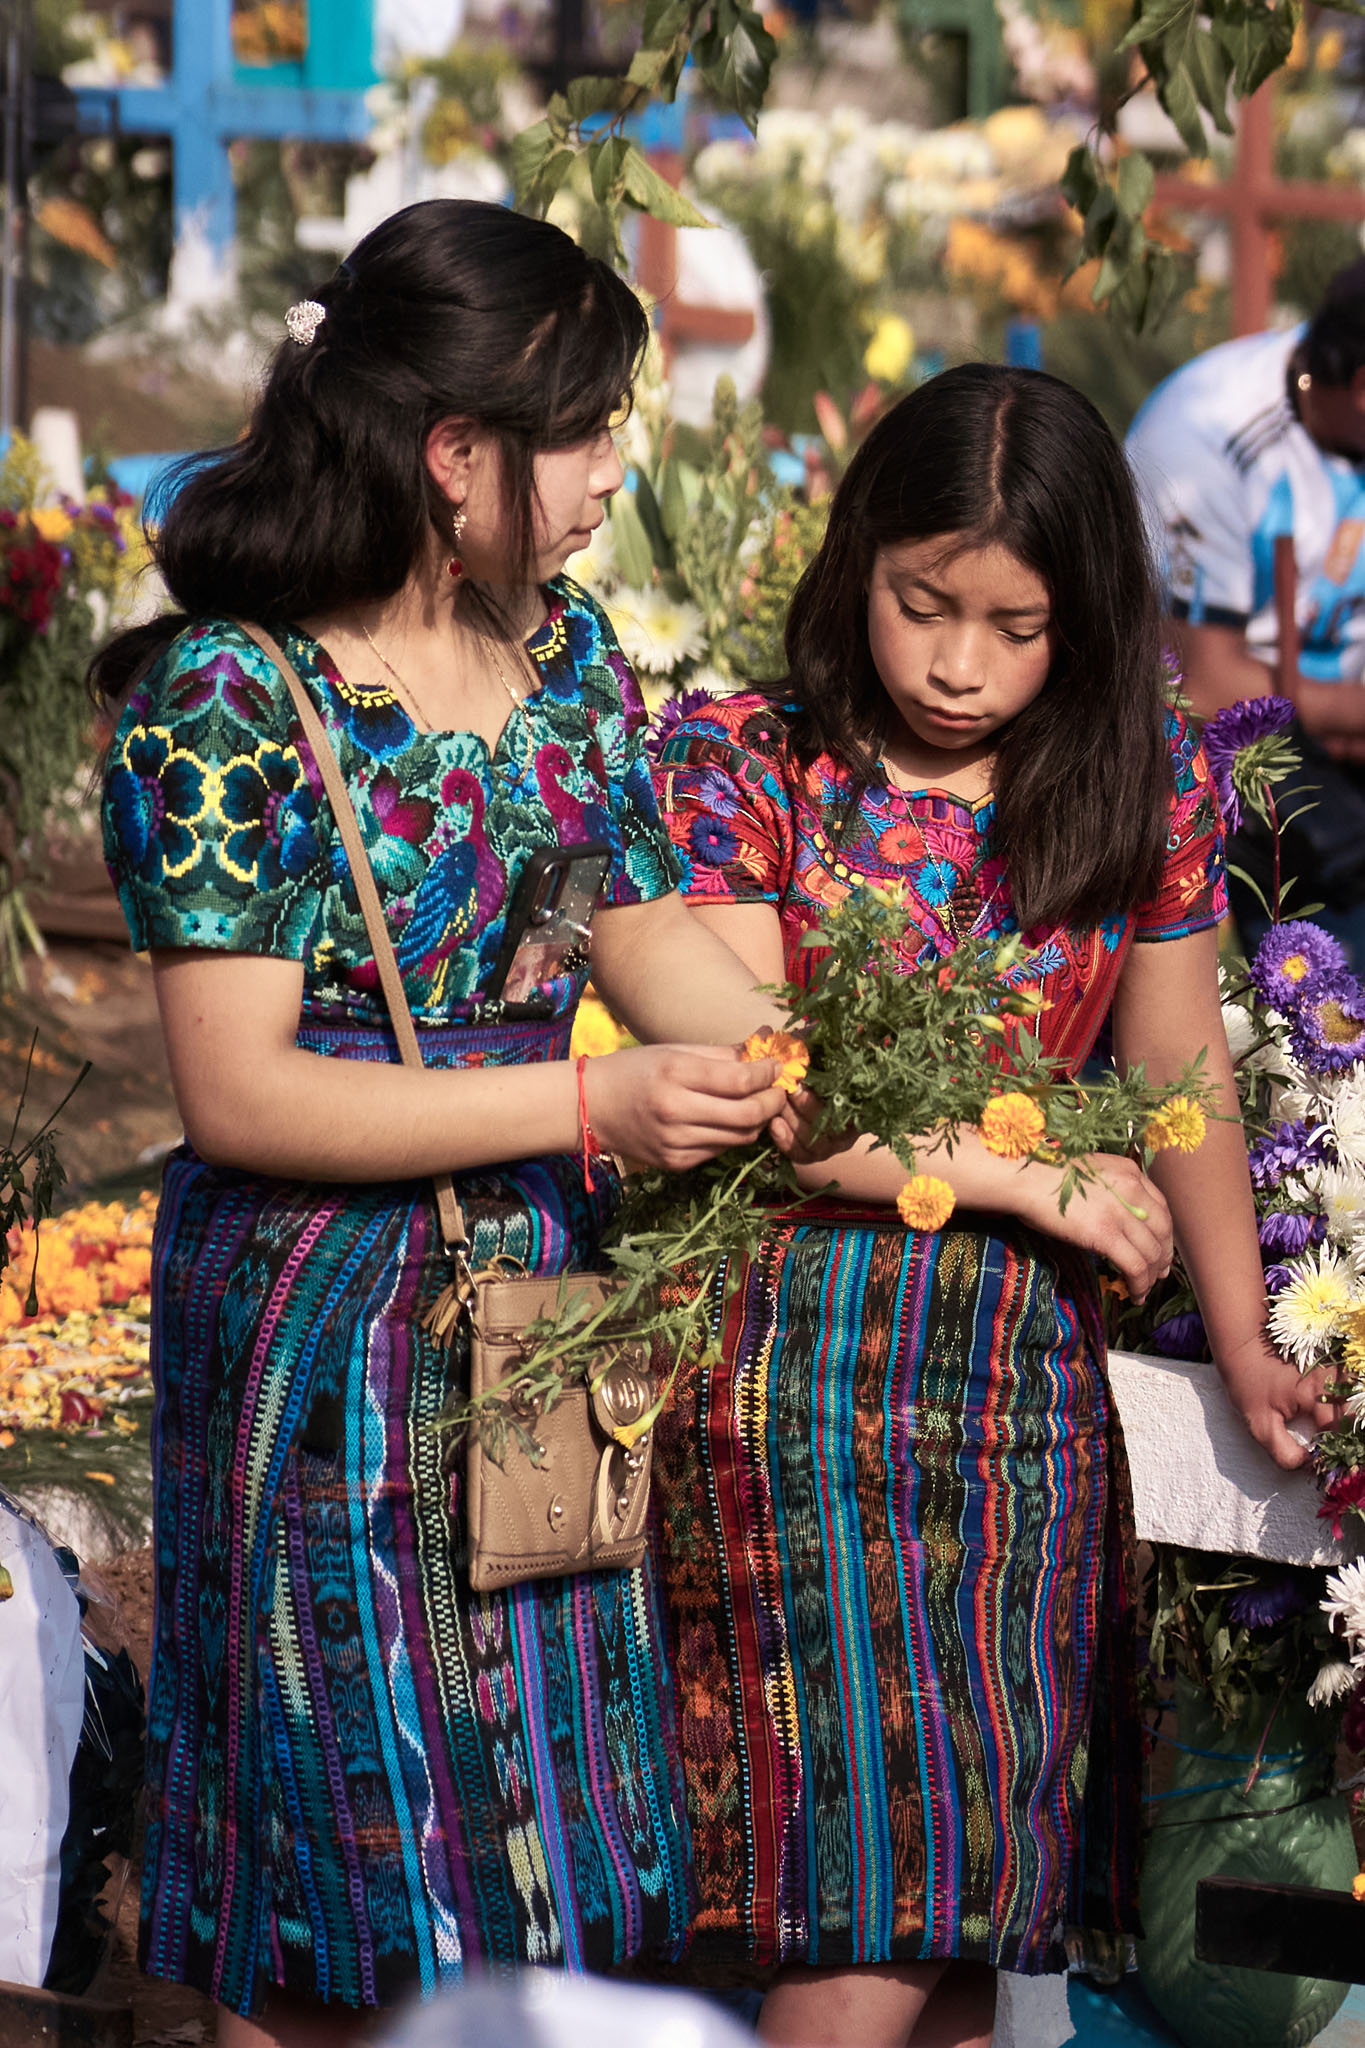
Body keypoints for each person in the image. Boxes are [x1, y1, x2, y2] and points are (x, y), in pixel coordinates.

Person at [95, 198, 812, 2048]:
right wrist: (586, 1100)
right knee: (345, 1887)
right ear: (458, 450)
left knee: (548, 1871)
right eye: (584, 430)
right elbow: (240, 1087)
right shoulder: (233, 697)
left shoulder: (566, 668)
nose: (608, 475)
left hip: (535, 1343)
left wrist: (910, 1057)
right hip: (324, 1350)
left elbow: (684, 983)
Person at [650, 364, 1336, 2048]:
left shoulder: (1139, 781)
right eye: (920, 605)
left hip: (1027, 1386)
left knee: (977, 1893)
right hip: (799, 1364)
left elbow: (1186, 1081)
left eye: (1014, 623)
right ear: (856, 566)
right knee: (859, 1883)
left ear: (1084, 615)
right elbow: (778, 1107)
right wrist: (1029, 1172)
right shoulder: (755, 763)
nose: (957, 663)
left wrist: (1249, 1340)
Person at [1126, 261, 1365, 961]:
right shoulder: (1204, 435)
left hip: (1327, 708)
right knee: (1342, 895)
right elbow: (1203, 683)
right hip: (1227, 745)